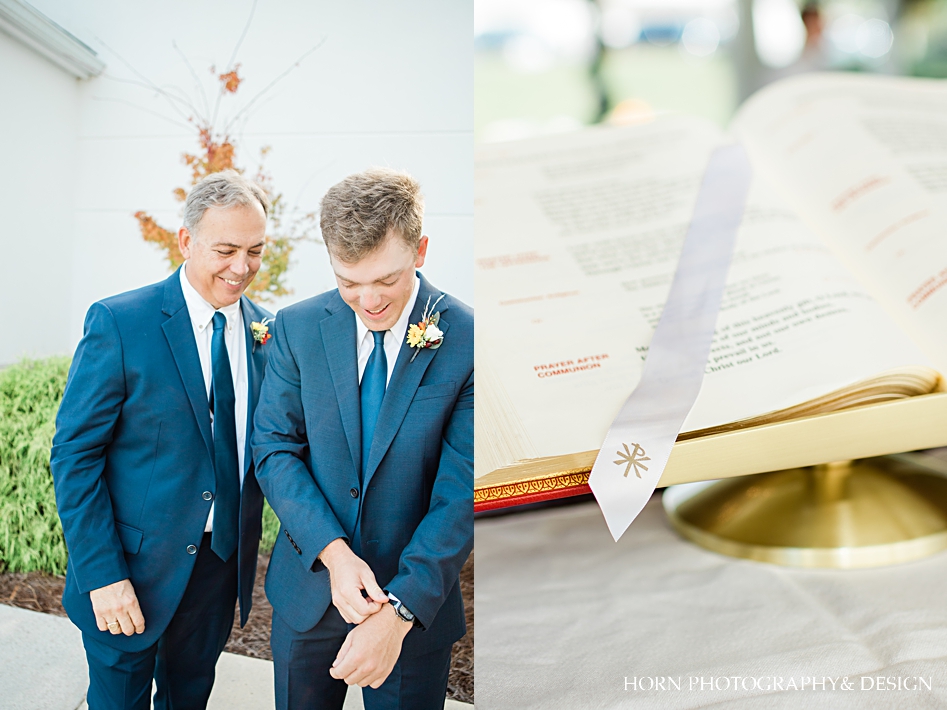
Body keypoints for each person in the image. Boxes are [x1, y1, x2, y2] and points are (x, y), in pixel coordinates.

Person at [50, 170, 273, 709]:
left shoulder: (271, 332)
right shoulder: (121, 322)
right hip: (129, 573)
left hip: (218, 573)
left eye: (255, 250)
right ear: (186, 240)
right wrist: (103, 576)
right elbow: (75, 457)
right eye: (225, 249)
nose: (241, 268)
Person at [252, 168, 473, 710]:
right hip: (309, 592)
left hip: (415, 605)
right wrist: (335, 556)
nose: (369, 300)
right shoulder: (297, 327)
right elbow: (275, 448)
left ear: (420, 251)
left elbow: (461, 491)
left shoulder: (469, 339)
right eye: (349, 282)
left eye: (386, 280)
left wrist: (398, 612)